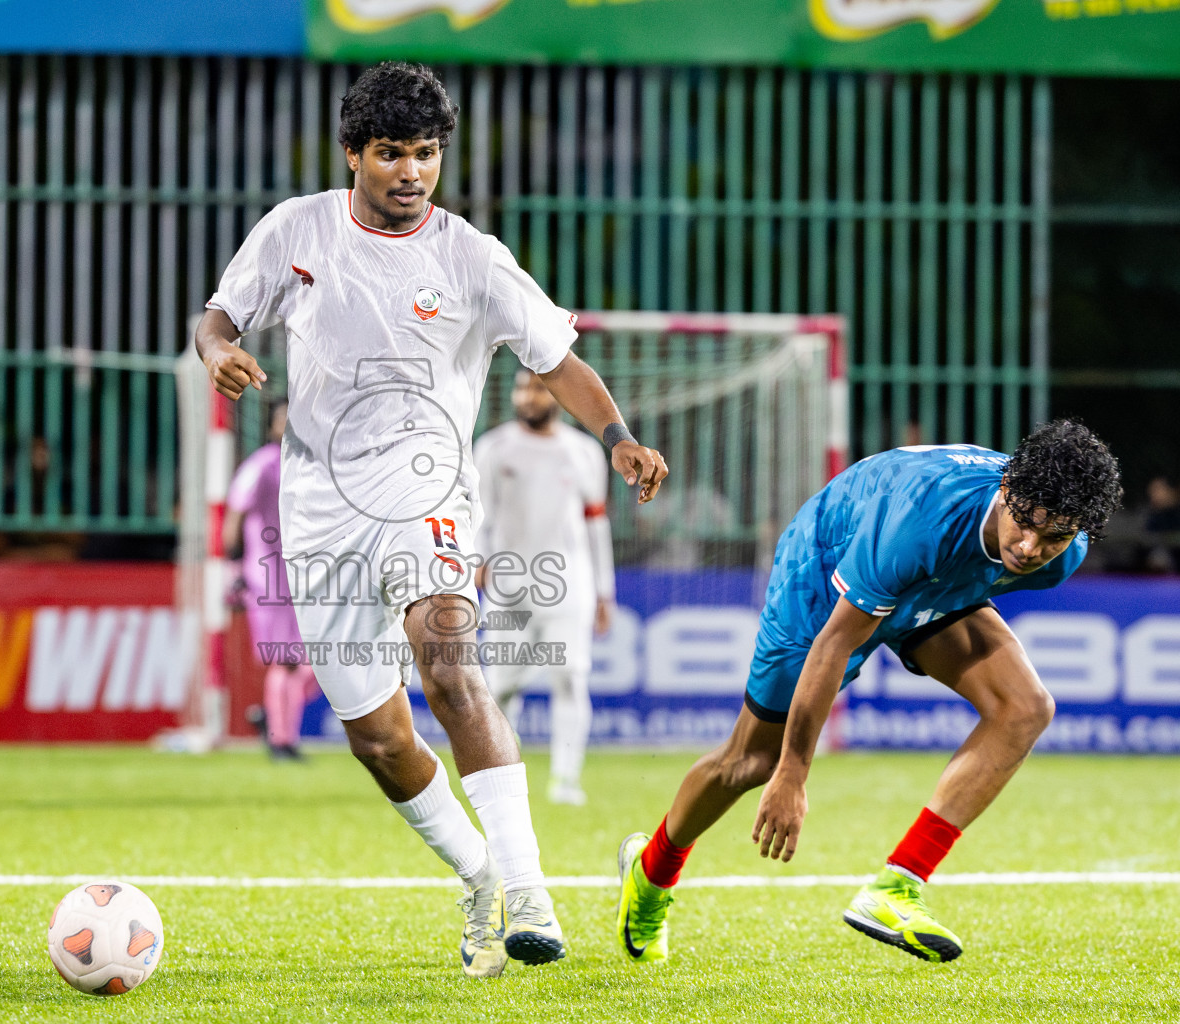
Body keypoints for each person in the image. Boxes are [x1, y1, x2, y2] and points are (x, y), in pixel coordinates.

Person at [195, 61, 667, 978]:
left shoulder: (473, 258)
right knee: (377, 738)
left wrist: (616, 436)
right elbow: (219, 318)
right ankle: (481, 875)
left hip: (428, 493)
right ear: (353, 155)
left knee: (448, 660)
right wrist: (220, 351)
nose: (410, 172)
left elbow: (558, 357)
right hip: (320, 513)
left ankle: (529, 890)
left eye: (425, 154)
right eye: (390, 153)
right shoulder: (295, 231)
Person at [614, 423, 1121, 966]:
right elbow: (834, 644)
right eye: (1026, 526)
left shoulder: (1060, 553)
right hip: (827, 562)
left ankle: (896, 888)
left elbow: (972, 574)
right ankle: (651, 872)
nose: (1030, 548)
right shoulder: (924, 519)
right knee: (752, 762)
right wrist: (793, 773)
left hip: (925, 576)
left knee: (1026, 708)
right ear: (1006, 493)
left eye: (1055, 537)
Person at [474, 368, 614, 806]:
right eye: (521, 388)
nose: (527, 397)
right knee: (501, 688)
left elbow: (595, 524)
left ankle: (565, 781)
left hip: (570, 583)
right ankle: (503, 778)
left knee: (571, 679)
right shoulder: (493, 448)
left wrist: (604, 590)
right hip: (508, 584)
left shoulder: (585, 452)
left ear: (554, 394)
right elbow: (479, 516)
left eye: (536, 387)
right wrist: (477, 563)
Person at [223, 399, 320, 760]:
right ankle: (282, 740)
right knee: (288, 659)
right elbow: (235, 516)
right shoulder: (263, 464)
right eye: (284, 417)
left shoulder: (311, 466)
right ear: (272, 424)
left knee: (319, 660)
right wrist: (233, 571)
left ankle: (272, 718)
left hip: (306, 575)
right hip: (268, 578)